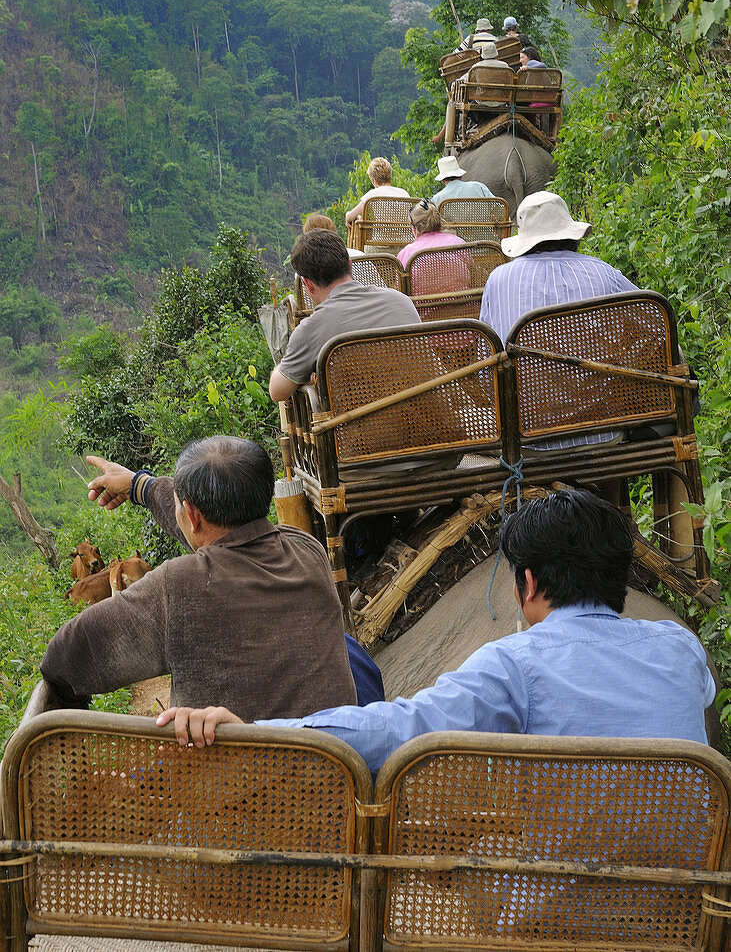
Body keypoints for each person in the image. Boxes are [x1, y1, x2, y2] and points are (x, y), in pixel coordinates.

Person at [156, 489, 716, 774]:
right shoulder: (681, 648)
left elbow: (400, 728)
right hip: (694, 911)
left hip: (565, 915)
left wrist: (258, 729)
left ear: (526, 582)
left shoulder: (514, 666)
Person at [41, 437, 358, 721]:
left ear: (191, 516)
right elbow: (219, 536)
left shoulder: (176, 589)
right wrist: (140, 486)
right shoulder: (307, 550)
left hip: (246, 781)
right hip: (336, 769)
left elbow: (66, 659)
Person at [480, 191, 637, 449]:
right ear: (571, 234)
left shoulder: (498, 280)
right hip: (603, 430)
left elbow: (487, 367)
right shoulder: (603, 272)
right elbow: (658, 329)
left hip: (527, 437)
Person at [269, 230, 421, 402]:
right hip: (422, 419)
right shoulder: (401, 301)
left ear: (308, 285)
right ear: (349, 264)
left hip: (358, 426)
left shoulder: (310, 330)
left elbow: (277, 392)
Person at [479, 191, 636, 345]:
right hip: (598, 371)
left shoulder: (498, 279)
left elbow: (487, 350)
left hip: (522, 371)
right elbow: (655, 316)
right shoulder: (604, 272)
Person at [397, 199, 467, 269]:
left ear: (414, 229)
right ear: (440, 224)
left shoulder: (406, 253)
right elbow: (473, 273)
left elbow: (400, 279)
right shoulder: (459, 243)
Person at [344, 157, 409, 227]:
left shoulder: (372, 195)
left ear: (374, 180)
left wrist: (347, 214)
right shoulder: (404, 194)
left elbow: (351, 217)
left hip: (379, 237)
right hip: (404, 237)